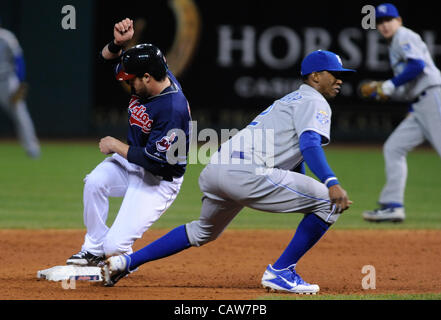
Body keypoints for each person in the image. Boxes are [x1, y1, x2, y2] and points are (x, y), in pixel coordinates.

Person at [100, 50, 354, 294]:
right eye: (333, 72)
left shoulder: (288, 100)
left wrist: (301, 182)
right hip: (246, 173)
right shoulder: (315, 101)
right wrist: (331, 182)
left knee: (202, 231)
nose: (340, 78)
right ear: (315, 76)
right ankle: (282, 271)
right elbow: (308, 144)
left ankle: (126, 262)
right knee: (328, 203)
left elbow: (294, 156)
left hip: (216, 169)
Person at [66, 18, 191, 266]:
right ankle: (93, 249)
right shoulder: (151, 76)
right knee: (95, 183)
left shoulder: (172, 109)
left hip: (159, 179)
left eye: (130, 80)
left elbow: (154, 162)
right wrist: (117, 44)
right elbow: (104, 62)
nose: (126, 83)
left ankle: (117, 255)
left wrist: (114, 145)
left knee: (114, 247)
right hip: (132, 161)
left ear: (146, 77)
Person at [361, 3, 441, 223]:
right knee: (394, 148)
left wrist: (390, 84)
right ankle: (393, 205)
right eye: (380, 22)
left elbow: (417, 66)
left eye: (389, 20)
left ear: (399, 21)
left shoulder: (403, 35)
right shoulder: (395, 43)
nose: (384, 25)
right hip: (420, 105)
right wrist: (397, 95)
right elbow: (411, 82)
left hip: (433, 97)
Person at [0, 21, 40, 158]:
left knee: (20, 114)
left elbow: (18, 59)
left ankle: (32, 148)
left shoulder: (6, 37)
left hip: (8, 81)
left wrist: (20, 81)